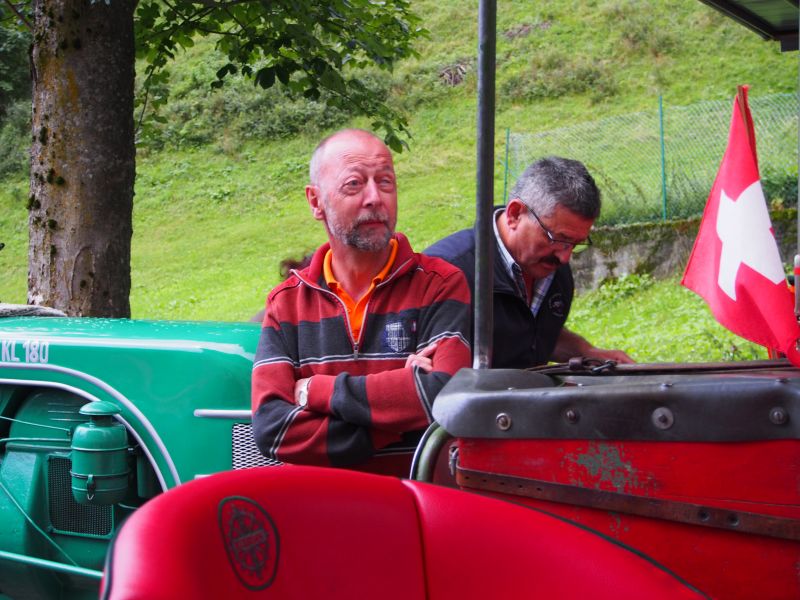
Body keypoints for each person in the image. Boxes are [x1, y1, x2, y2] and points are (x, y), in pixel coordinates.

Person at [251, 129, 472, 475]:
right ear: (315, 202)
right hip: (323, 501)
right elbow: (272, 430)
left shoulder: (439, 284)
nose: (375, 198)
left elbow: (443, 396)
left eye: (385, 182)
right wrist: (397, 416)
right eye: (354, 184)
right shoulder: (287, 303)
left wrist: (314, 391)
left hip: (416, 498)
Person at [425, 156, 633, 368]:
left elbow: (530, 336)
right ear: (515, 214)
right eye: (558, 239)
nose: (565, 257)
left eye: (576, 243)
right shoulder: (445, 274)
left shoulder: (554, 272)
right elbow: (424, 370)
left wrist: (587, 352)